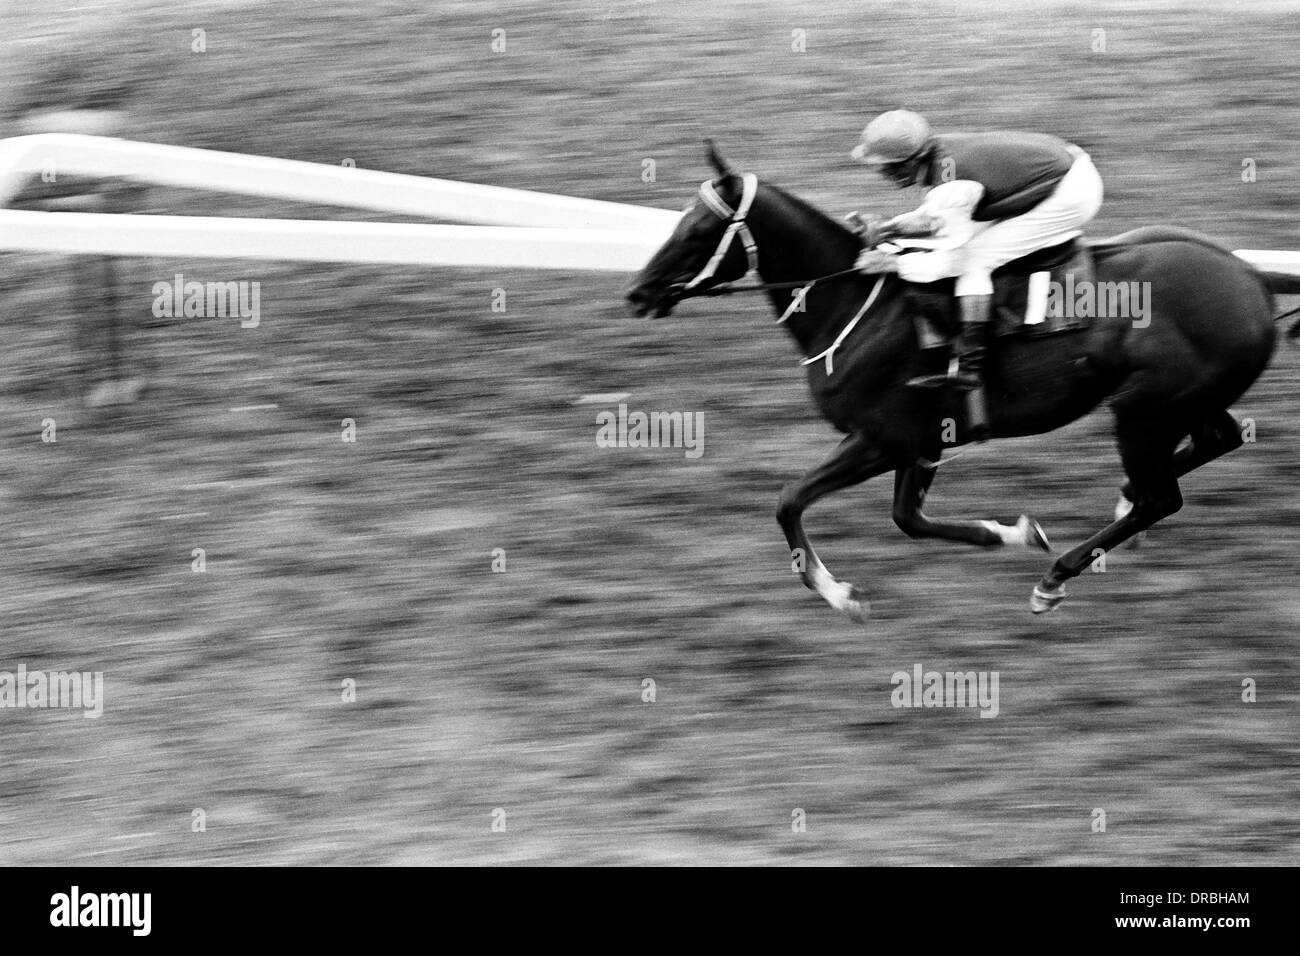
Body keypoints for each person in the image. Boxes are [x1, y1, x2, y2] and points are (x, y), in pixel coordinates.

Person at [849, 110, 1103, 436]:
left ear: (907, 164)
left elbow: (952, 254)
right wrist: (888, 229)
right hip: (1060, 170)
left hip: (1071, 194)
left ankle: (970, 366)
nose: (879, 173)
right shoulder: (939, 159)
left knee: (975, 261)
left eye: (882, 167)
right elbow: (934, 219)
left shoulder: (952, 184)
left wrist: (894, 263)